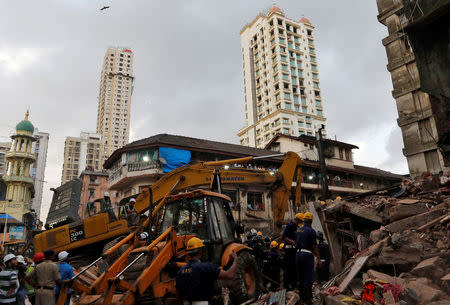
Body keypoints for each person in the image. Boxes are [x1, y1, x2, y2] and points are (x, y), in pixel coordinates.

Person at [176, 237, 238, 305]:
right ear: (200, 251)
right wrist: (235, 260)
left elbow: (178, 294)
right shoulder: (206, 267)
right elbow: (230, 275)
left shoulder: (180, 272)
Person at [295, 212, 321, 305]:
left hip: (298, 255)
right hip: (307, 255)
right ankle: (308, 300)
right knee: (308, 277)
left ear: (304, 220)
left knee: (300, 277)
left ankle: (302, 299)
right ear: (311, 221)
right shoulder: (311, 231)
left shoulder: (298, 230)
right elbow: (314, 246)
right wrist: (318, 258)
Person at [282, 213, 303, 290]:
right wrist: (293, 242)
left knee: (294, 267)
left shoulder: (296, 227)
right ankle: (287, 285)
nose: (300, 223)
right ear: (297, 219)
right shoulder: (289, 226)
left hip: (294, 250)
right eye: (300, 221)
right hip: (289, 250)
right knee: (288, 267)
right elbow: (284, 237)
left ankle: (293, 284)